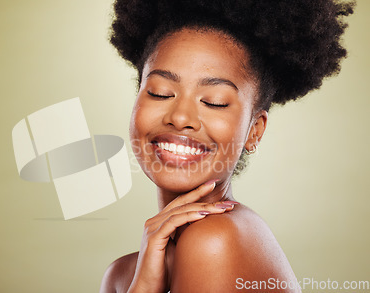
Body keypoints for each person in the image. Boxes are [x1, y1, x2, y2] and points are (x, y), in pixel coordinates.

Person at [99, 1, 354, 292]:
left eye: (213, 101)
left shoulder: (214, 241)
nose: (180, 117)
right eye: (160, 93)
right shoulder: (123, 274)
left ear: (254, 130)